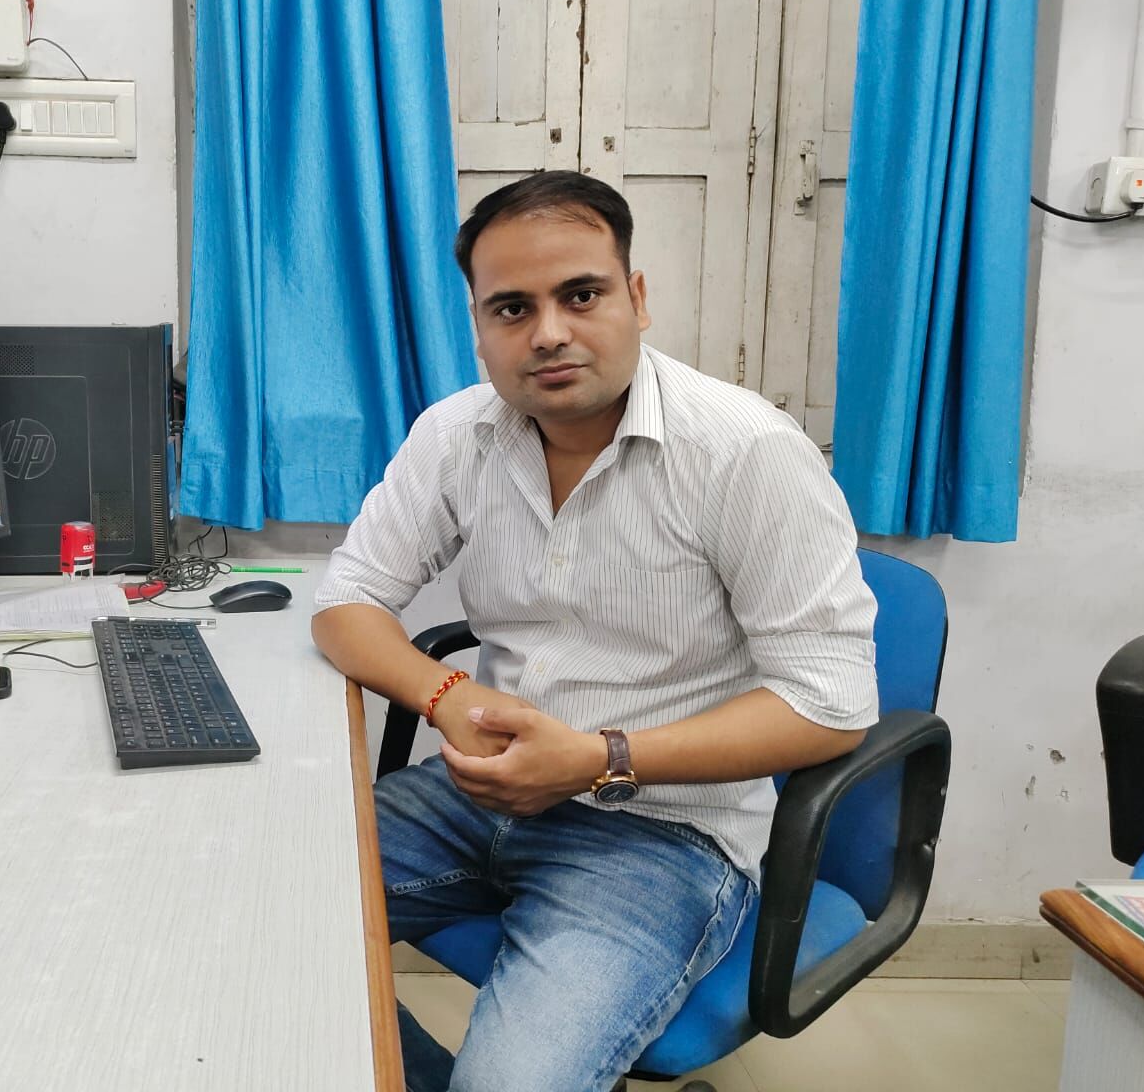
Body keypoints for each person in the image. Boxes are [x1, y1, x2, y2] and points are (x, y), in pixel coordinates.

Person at [312, 171, 879, 1092]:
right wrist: (452, 694)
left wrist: (596, 758)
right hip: (474, 796)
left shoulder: (744, 453)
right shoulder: (458, 435)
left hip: (661, 834)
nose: (547, 332)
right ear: (480, 327)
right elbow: (346, 602)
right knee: (235, 929)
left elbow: (831, 707)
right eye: (510, 307)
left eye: (580, 294)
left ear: (636, 297)